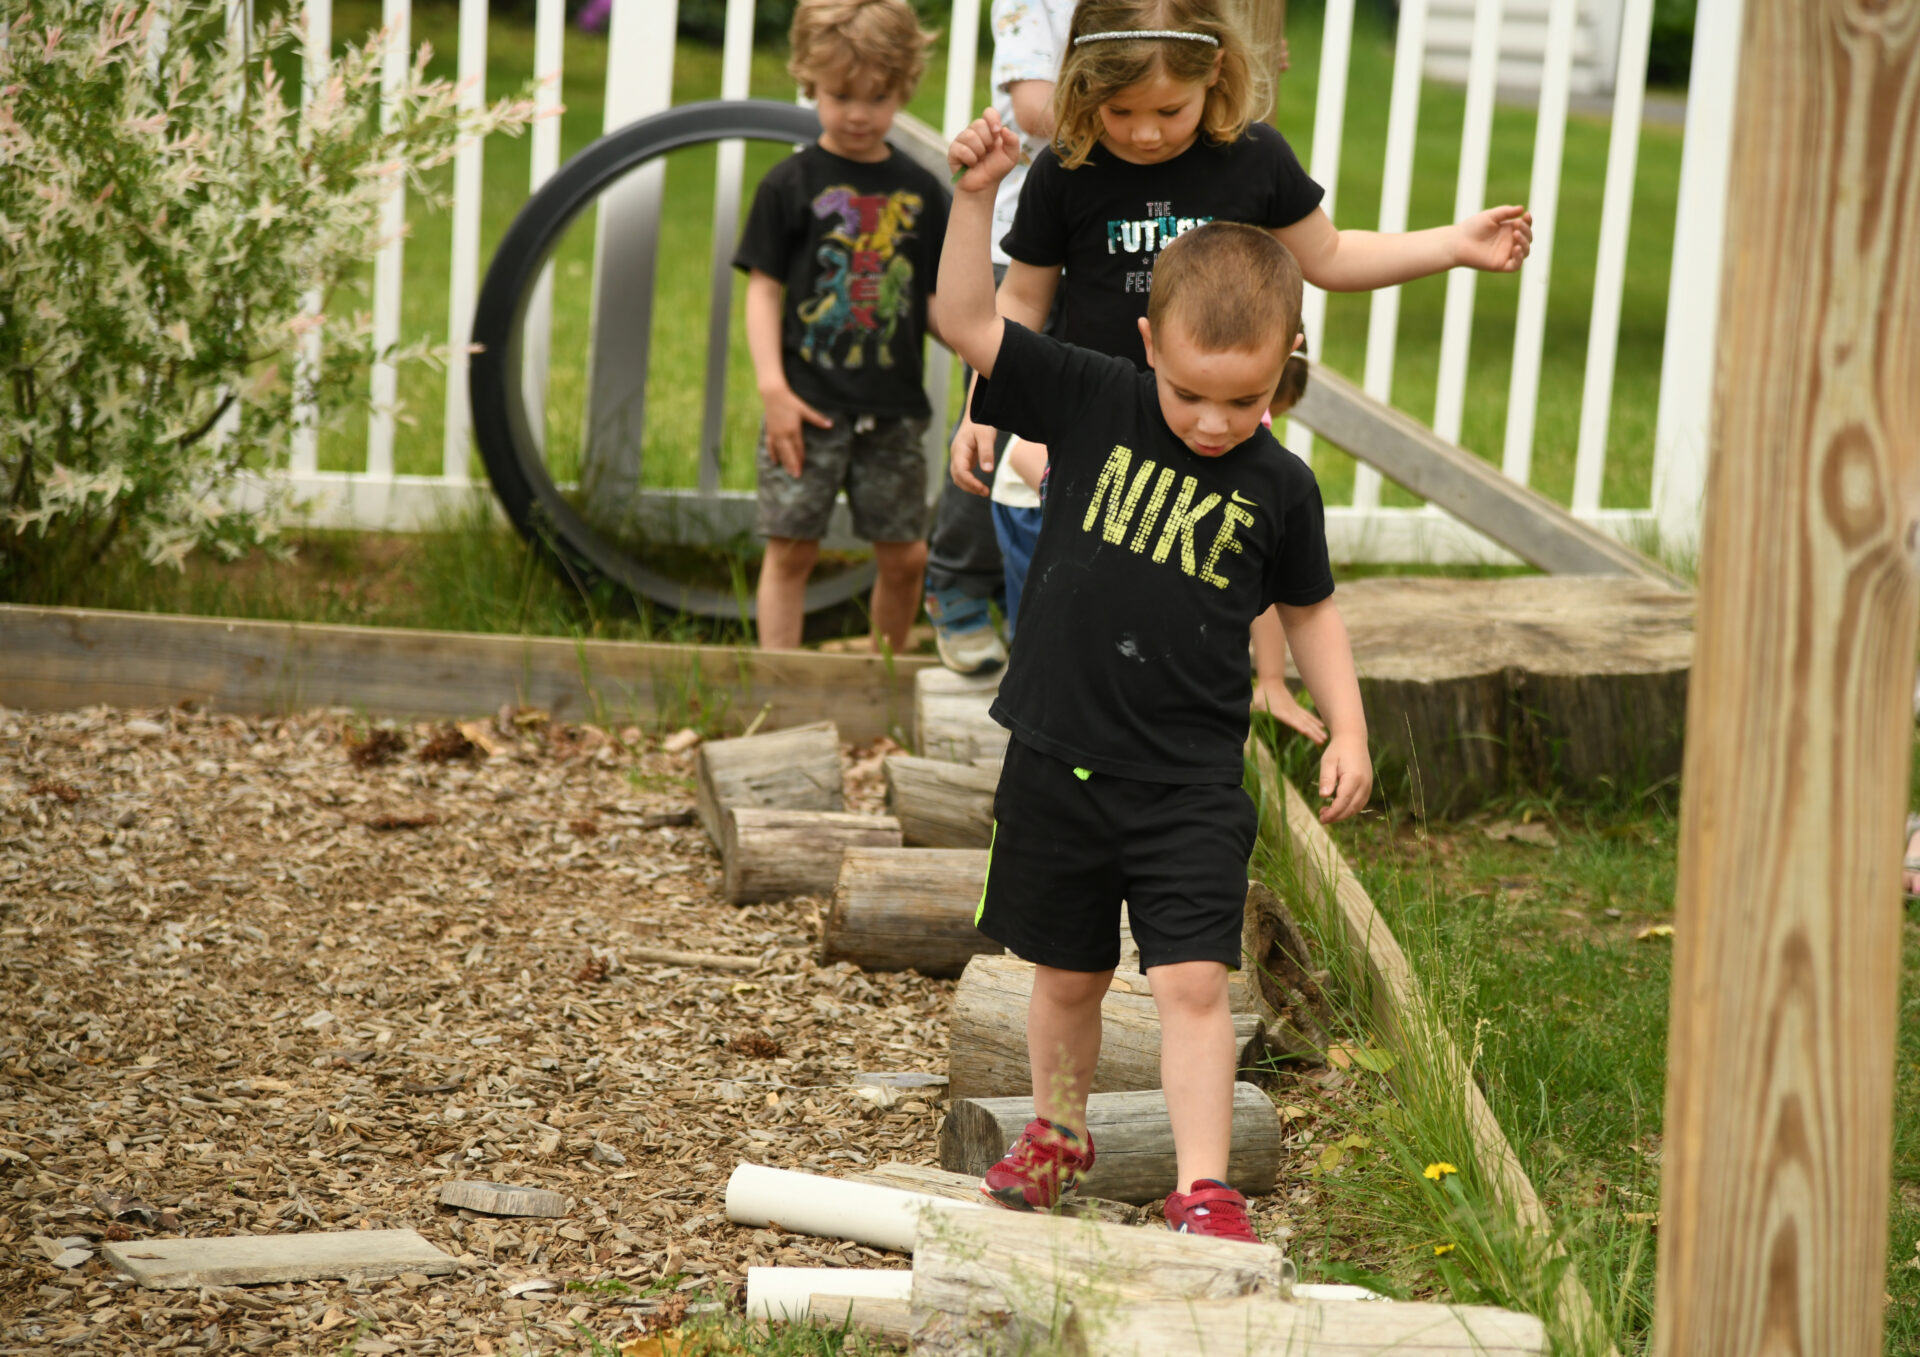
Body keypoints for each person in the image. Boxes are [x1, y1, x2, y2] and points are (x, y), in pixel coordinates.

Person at [940, 106, 1373, 1240]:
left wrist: (1349, 726)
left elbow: (1311, 611)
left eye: (1246, 398)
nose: (1217, 422)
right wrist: (977, 198)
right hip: (1059, 757)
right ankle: (1058, 1133)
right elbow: (965, 321)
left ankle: (1203, 1185)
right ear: (1148, 345)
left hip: (1187, 778)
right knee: (1066, 975)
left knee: (1191, 982)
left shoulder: (1282, 488)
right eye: (1192, 394)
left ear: (1286, 363)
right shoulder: (1092, 396)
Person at [948, 0, 1531, 727]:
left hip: (1217, 427)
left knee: (1209, 596)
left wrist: (1453, 244)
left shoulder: (1254, 158)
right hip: (1097, 433)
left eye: (1169, 109)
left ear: (1214, 70)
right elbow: (1021, 304)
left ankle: (1203, 731)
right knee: (1085, 609)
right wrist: (981, 408)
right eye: (1119, 110)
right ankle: (1064, 742)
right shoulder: (1067, 171)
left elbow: (1331, 255)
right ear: (1081, 80)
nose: (1145, 132)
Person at [733, 0, 948, 653]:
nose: (859, 113)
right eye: (841, 95)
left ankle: (883, 675)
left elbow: (932, 302)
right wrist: (773, 389)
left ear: (904, 87)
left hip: (894, 413)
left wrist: (990, 353)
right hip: (806, 409)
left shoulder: (923, 191)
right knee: (792, 549)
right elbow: (763, 291)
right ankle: (779, 681)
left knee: (906, 557)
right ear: (809, 82)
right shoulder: (788, 184)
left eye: (878, 97)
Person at [921, 0, 1077, 672]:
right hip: (1018, 249)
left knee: (1078, 433)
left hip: (1102, 243)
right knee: (994, 421)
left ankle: (1041, 600)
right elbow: (1035, 106)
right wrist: (1135, 106)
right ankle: (956, 580)